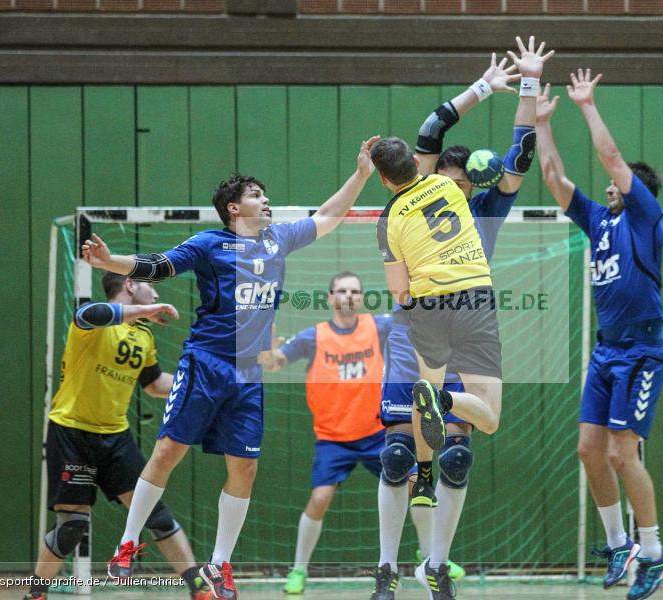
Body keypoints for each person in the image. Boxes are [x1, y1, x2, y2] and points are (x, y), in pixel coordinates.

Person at [81, 136, 379, 600]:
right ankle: (126, 544)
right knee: (166, 454)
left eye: (264, 194)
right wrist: (110, 261)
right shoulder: (209, 243)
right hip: (206, 362)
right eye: (256, 195)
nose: (266, 200)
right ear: (234, 209)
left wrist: (361, 173)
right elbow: (156, 266)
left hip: (248, 374)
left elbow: (327, 216)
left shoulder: (278, 238)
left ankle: (219, 566)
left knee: (245, 469)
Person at [370, 37, 552, 600]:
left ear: (468, 178)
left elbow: (444, 136)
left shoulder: (461, 203)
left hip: (425, 314)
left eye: (457, 174)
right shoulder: (441, 191)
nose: (450, 178)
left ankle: (436, 567)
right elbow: (513, 151)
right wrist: (521, 85)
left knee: (452, 455)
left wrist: (496, 87)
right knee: (402, 453)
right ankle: (388, 569)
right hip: (467, 310)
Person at [535, 70, 663, 600]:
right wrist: (544, 124)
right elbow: (552, 176)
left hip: (642, 348)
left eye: (620, 181)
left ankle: (656, 554)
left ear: (636, 190)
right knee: (589, 451)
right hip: (606, 349)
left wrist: (586, 105)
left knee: (622, 455)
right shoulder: (599, 220)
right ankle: (620, 544)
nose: (609, 183)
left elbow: (612, 157)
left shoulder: (645, 217)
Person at [26, 272, 208, 600]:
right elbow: (91, 314)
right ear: (129, 285)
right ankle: (35, 594)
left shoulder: (143, 336)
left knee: (158, 516)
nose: (154, 294)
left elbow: (153, 385)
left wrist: (200, 382)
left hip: (115, 438)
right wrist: (145, 312)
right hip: (72, 433)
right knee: (72, 527)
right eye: (149, 286)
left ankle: (199, 589)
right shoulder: (93, 319)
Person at [255, 271, 392, 594]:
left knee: (416, 487)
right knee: (320, 498)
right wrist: (266, 352)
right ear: (330, 297)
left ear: (361, 298)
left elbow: (414, 323)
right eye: (341, 290)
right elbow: (274, 362)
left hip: (376, 432)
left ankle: (431, 557)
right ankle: (299, 570)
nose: (348, 296)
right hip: (334, 438)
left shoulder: (379, 327)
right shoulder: (313, 337)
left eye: (354, 291)